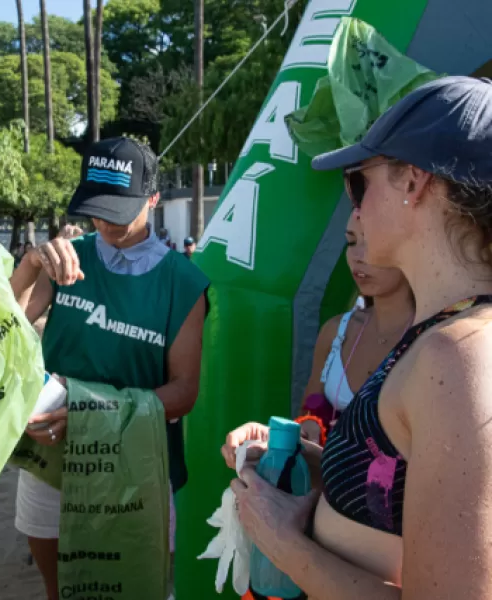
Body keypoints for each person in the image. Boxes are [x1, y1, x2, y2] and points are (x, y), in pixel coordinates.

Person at [223, 76, 492, 599]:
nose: (357, 210)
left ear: (413, 182)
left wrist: (281, 540)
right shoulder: (449, 333)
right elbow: (406, 495)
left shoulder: (454, 356)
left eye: (357, 183)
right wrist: (318, 463)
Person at [10, 137, 208, 600]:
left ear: (154, 199)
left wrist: (94, 410)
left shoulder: (183, 283)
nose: (102, 221)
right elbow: (4, 331)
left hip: (135, 466)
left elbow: (184, 392)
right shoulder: (67, 259)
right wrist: (30, 265)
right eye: (95, 207)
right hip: (51, 458)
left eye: (118, 209)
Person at [297, 210, 414, 444]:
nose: (357, 256)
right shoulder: (336, 332)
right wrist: (310, 425)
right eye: (351, 242)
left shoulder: (435, 337)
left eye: (372, 242)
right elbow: (308, 411)